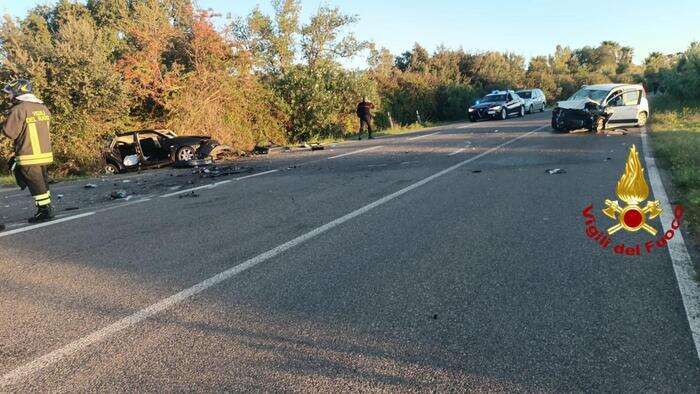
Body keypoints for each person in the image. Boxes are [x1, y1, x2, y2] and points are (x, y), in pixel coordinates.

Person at [2, 79, 55, 223]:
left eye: (11, 93)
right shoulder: (43, 107)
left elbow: (10, 132)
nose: (9, 96)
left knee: (35, 183)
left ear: (19, 92)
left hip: (29, 154)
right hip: (45, 153)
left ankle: (45, 212)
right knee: (42, 182)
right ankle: (47, 207)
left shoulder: (19, 109)